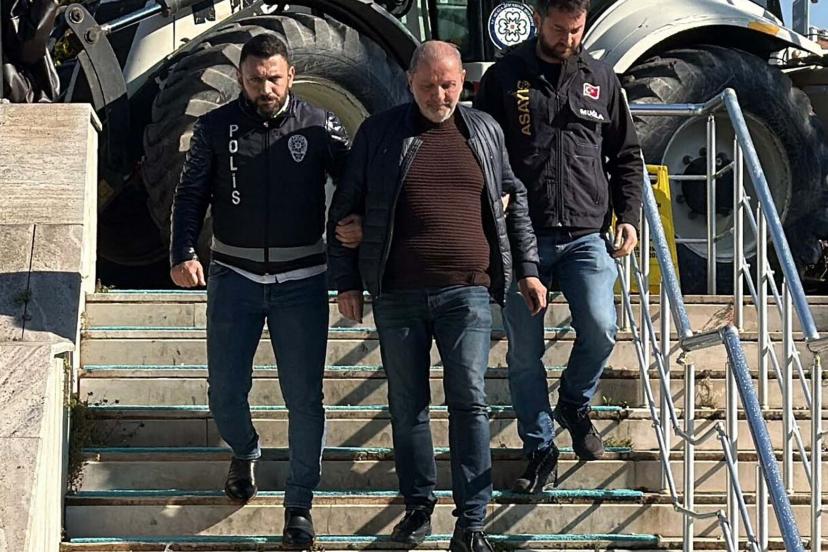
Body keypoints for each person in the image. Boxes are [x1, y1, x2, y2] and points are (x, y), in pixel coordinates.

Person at [327, 40, 546, 552]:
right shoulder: (379, 133)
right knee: (408, 407)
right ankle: (418, 508)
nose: (439, 96)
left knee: (470, 399)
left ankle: (472, 522)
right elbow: (345, 211)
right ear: (410, 82)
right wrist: (347, 281)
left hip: (466, 292)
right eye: (428, 86)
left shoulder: (486, 130)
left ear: (462, 82)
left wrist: (529, 270)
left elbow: (514, 202)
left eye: (448, 85)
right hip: (398, 294)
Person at [169, 33, 358, 546]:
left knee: (305, 399)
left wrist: (355, 230)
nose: (266, 88)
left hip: (303, 281)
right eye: (255, 80)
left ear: (291, 75)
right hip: (235, 278)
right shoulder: (214, 128)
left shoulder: (320, 125)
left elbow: (356, 183)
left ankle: (299, 505)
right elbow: (190, 195)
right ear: (241, 78)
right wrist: (183, 252)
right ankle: (245, 449)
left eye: (274, 78)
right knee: (225, 392)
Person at [474, 0, 643, 493]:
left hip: (586, 234)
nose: (567, 39)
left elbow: (626, 156)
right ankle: (540, 449)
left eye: (575, 30)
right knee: (525, 354)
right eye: (557, 28)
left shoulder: (601, 79)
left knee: (602, 328)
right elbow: (481, 150)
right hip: (521, 236)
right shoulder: (505, 76)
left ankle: (573, 401)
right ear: (538, 19)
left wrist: (629, 217)